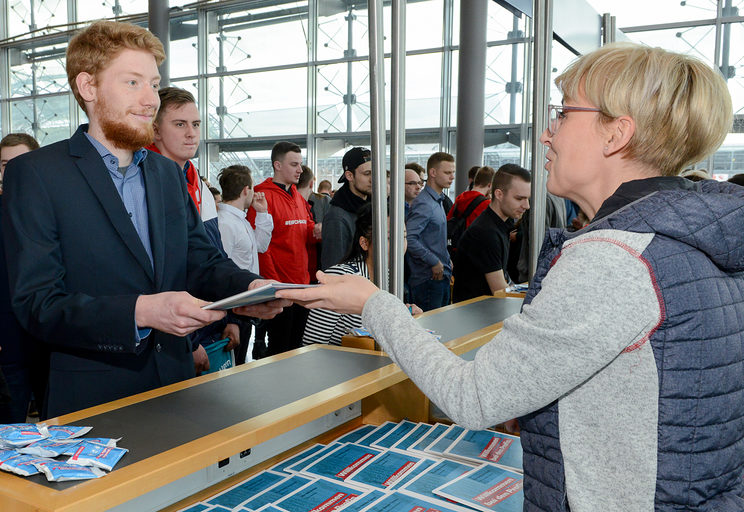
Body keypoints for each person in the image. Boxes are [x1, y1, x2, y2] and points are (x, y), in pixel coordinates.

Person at [279, 43, 743, 510]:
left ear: (616, 133)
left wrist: (373, 303)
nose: (548, 133)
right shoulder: (689, 240)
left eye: (563, 114)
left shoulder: (616, 259)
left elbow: (474, 397)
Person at [2, 21, 286, 418]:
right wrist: (141, 312)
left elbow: (199, 260)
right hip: (93, 399)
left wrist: (250, 290)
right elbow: (38, 304)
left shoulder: (165, 173)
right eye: (133, 83)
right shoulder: (38, 174)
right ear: (88, 87)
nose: (150, 99)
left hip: (175, 383)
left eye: (153, 84)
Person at [147, 86, 239, 375]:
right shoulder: (141, 185)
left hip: (210, 324)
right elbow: (154, 279)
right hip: (171, 333)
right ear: (155, 131)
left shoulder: (199, 185)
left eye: (196, 124)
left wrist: (231, 317)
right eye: (179, 124)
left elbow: (213, 256)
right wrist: (187, 341)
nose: (191, 134)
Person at [0, 133, 47, 423]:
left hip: (52, 345)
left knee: (61, 429)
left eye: (21, 162)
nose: (13, 170)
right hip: (5, 346)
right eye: (6, 164)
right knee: (8, 435)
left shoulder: (56, 211)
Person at [302, 204, 421, 346]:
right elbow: (313, 344)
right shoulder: (340, 276)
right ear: (364, 243)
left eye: (404, 237)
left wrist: (405, 315)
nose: (400, 245)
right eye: (390, 238)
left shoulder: (391, 277)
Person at [247, 141, 318, 356]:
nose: (300, 170)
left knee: (297, 346)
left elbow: (303, 229)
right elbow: (259, 245)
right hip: (279, 286)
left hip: (302, 285)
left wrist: (318, 230)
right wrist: (272, 284)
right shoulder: (261, 196)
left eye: (301, 164)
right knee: (280, 349)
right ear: (278, 165)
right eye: (294, 164)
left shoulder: (297, 195)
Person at [216, 165, 273, 365]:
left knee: (240, 363)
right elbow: (221, 271)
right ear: (246, 191)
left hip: (244, 305)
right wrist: (230, 319)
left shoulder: (240, 220)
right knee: (233, 364)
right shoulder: (224, 223)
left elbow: (261, 245)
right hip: (233, 309)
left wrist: (263, 213)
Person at [452, 165, 530, 301]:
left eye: (527, 199)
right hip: (476, 316)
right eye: (519, 199)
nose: (526, 205)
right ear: (499, 194)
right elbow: (499, 290)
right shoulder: (485, 232)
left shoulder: (497, 225)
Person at [405, 152, 455, 311]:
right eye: (447, 172)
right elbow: (410, 239)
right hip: (427, 279)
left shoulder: (436, 200)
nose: (452, 177)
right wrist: (434, 261)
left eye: (453, 172)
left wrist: (445, 259)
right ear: (432, 173)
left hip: (439, 276)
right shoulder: (425, 203)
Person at [321, 147, 372, 269]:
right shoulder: (337, 217)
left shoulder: (374, 206)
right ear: (349, 176)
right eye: (367, 174)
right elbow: (333, 267)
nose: (373, 179)